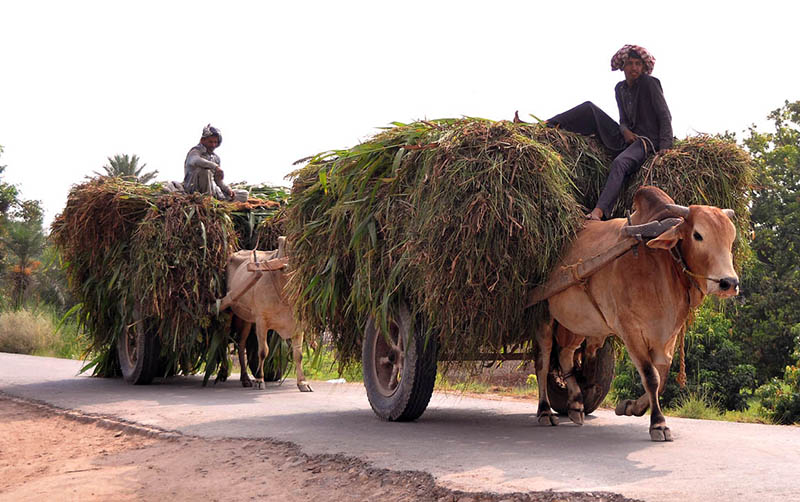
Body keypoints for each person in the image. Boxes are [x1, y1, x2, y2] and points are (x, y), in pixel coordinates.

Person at [546, 44, 673, 220]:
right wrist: (625, 130)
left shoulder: (649, 83)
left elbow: (664, 114)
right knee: (589, 108)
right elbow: (622, 120)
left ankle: (599, 211)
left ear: (644, 67)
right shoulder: (620, 89)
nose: (634, 68)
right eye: (630, 63)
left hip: (645, 140)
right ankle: (547, 126)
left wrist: (665, 147)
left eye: (638, 64)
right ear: (623, 66)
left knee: (619, 163)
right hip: (626, 138)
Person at [183, 124, 235, 200]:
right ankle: (207, 200)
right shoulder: (195, 152)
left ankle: (219, 198)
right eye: (210, 142)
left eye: (215, 142)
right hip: (193, 190)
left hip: (212, 189)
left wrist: (228, 189)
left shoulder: (216, 158)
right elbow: (196, 160)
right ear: (202, 140)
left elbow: (218, 180)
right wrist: (215, 167)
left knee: (242, 194)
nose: (213, 145)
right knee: (205, 172)